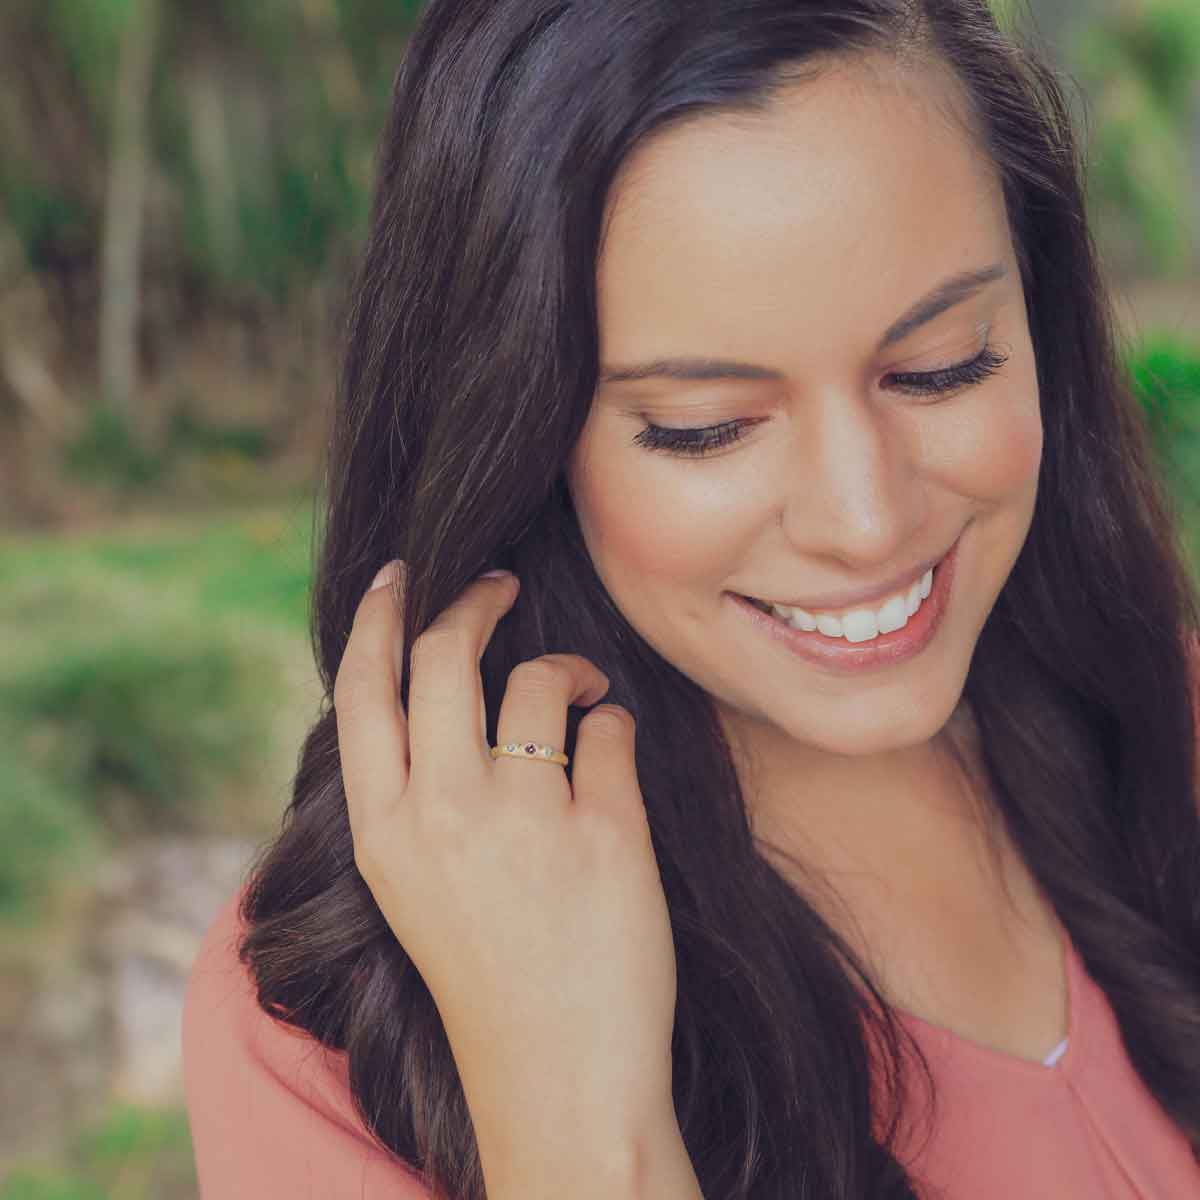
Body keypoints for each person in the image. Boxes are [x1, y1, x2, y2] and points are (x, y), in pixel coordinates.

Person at [181, 0, 1200, 1196]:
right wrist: (570, 1124)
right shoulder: (338, 1020)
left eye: (941, 367)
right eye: (703, 428)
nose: (865, 520)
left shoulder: (1169, 716)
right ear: (522, 428)